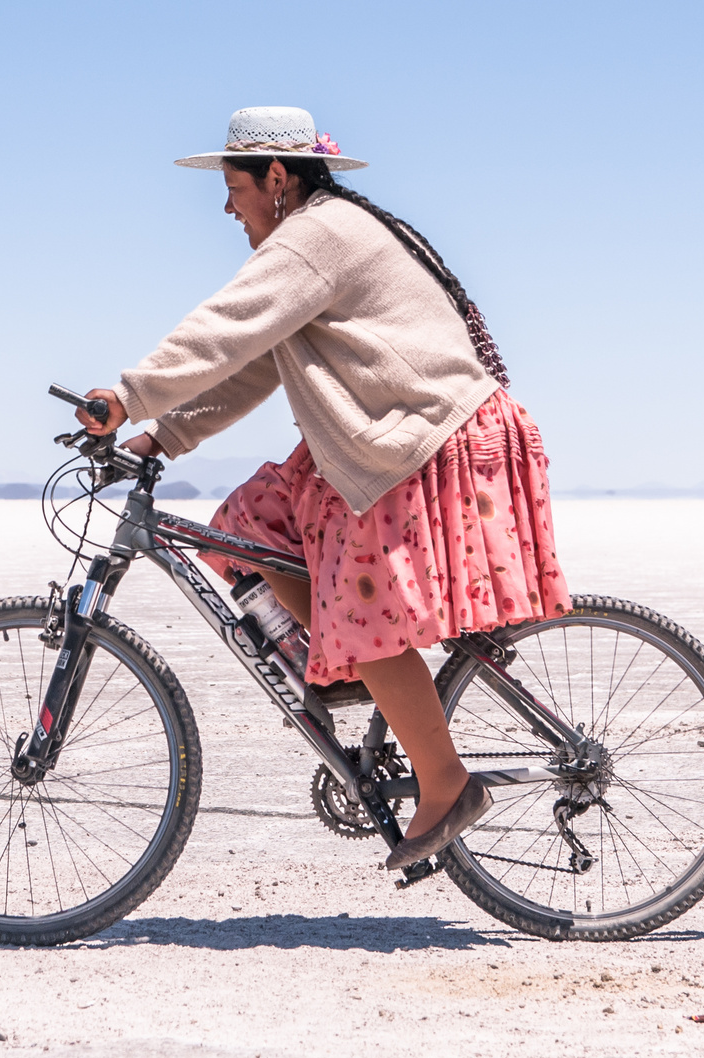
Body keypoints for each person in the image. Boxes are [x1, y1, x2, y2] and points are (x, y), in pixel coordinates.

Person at [76, 106, 571, 870]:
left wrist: (125, 396)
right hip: (386, 440)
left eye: (233, 187)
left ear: (278, 178)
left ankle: (445, 779)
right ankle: (346, 672)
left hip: (424, 437)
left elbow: (223, 328)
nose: (226, 206)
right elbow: (250, 364)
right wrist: (159, 436)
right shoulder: (316, 237)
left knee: (358, 610)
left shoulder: (317, 233)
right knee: (251, 520)